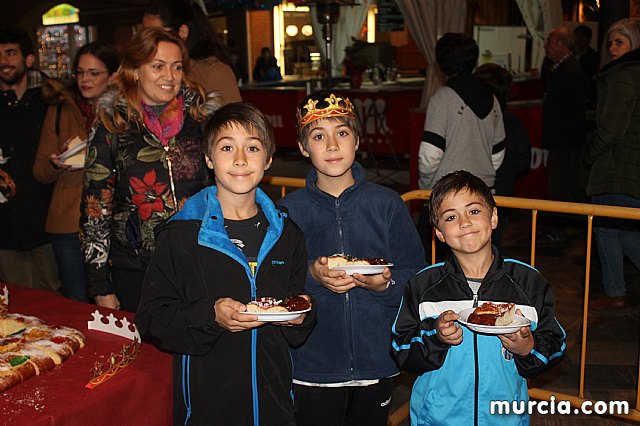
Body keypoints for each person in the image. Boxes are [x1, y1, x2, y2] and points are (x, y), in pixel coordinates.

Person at [136, 102, 316, 425]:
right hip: (208, 410)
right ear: (208, 158)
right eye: (227, 147)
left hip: (275, 407)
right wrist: (211, 315)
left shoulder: (287, 235)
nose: (240, 159)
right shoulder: (182, 235)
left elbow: (296, 311)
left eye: (253, 147)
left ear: (268, 159)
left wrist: (302, 316)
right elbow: (152, 320)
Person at [278, 91, 425, 426]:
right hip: (312, 365)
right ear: (303, 147)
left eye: (342, 133)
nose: (332, 145)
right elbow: (275, 281)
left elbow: (417, 274)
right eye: (319, 136)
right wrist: (312, 275)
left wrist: (385, 285)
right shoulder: (288, 211)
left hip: (376, 360)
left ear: (357, 140)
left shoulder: (387, 204)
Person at [391, 170, 566, 426]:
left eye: (473, 211)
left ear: (493, 217)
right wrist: (436, 336)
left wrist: (528, 347)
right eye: (451, 217)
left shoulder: (528, 282)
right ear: (439, 232)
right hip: (438, 419)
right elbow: (400, 349)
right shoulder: (424, 285)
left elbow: (556, 345)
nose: (464, 222)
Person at [79, 27, 219, 312]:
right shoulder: (112, 125)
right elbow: (95, 209)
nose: (169, 76)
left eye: (176, 67)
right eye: (158, 66)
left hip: (200, 262)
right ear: (135, 70)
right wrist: (100, 285)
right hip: (135, 269)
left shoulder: (202, 120)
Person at [33, 42, 121, 302]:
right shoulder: (61, 108)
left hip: (110, 219)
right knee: (75, 301)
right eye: (80, 73)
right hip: (67, 222)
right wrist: (55, 163)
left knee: (114, 301)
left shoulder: (123, 112)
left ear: (113, 76)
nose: (85, 80)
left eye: (94, 73)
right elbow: (39, 172)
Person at [583, 19, 640, 311]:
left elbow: (611, 127)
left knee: (607, 229)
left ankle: (615, 291)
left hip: (617, 165)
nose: (612, 48)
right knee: (625, 230)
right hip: (628, 165)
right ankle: (616, 290)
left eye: (620, 42)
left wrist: (590, 154)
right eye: (610, 43)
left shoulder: (624, 75)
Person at [0, 26, 58, 293]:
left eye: (11, 53)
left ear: (29, 59)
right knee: (15, 299)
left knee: (53, 296)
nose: (4, 61)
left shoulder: (49, 101)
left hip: (46, 219)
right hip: (5, 225)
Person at [418, 33, 505, 191]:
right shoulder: (492, 99)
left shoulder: (442, 98)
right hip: (484, 189)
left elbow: (430, 155)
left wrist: (425, 184)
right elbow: (498, 150)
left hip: (449, 190)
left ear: (441, 63)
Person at [474, 63, 531, 252]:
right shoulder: (513, 122)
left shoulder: (474, 121)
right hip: (504, 194)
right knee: (495, 244)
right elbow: (524, 159)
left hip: (478, 193)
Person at [143, 0, 242, 105]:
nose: (147, 40)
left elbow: (235, 114)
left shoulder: (214, 71)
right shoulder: (145, 68)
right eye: (144, 33)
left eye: (155, 34)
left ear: (182, 32)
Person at [540, 27, 587, 243]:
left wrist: (558, 138)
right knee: (563, 185)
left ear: (561, 43)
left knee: (561, 186)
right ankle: (559, 227)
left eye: (550, 42)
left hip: (565, 141)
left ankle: (559, 230)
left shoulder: (569, 71)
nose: (546, 47)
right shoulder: (562, 69)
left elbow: (571, 111)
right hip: (563, 140)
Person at [574, 25, 600, 109]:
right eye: (576, 37)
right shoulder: (570, 54)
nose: (578, 40)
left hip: (586, 98)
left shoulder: (593, 57)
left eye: (581, 37)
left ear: (588, 39)